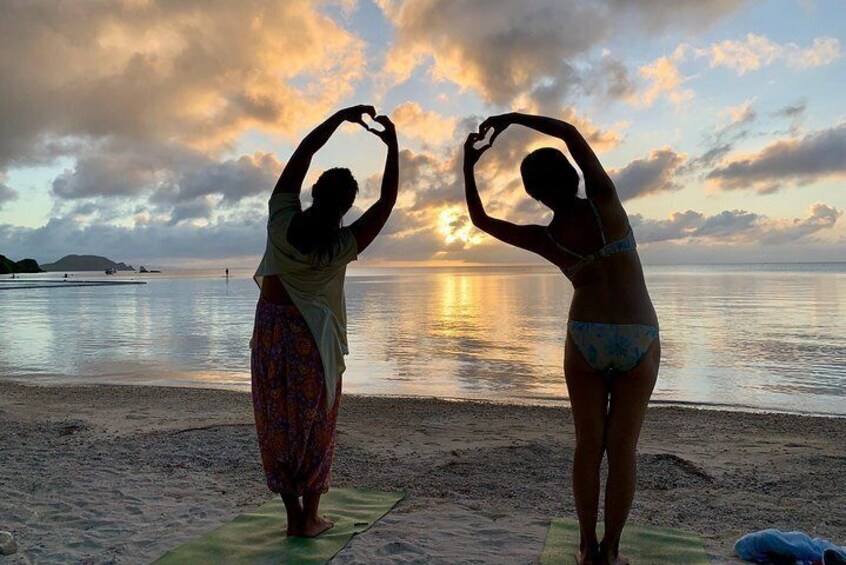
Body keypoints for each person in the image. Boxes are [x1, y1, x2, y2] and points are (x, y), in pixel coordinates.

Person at [463, 112, 660, 565]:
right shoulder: (605, 203)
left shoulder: (546, 237)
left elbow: (479, 219)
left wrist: (469, 162)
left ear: (533, 194)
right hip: (637, 333)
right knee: (623, 449)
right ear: (574, 177)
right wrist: (513, 119)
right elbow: (570, 133)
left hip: (586, 335)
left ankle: (587, 549)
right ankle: (611, 551)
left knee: (589, 446)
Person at [251, 104, 398, 538]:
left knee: (275, 422)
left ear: (313, 191)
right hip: (315, 341)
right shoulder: (342, 244)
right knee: (317, 424)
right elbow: (388, 201)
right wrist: (392, 145)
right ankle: (311, 517)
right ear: (348, 206)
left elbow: (302, 151)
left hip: (271, 333)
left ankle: (293, 515)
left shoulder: (280, 222)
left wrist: (339, 118)